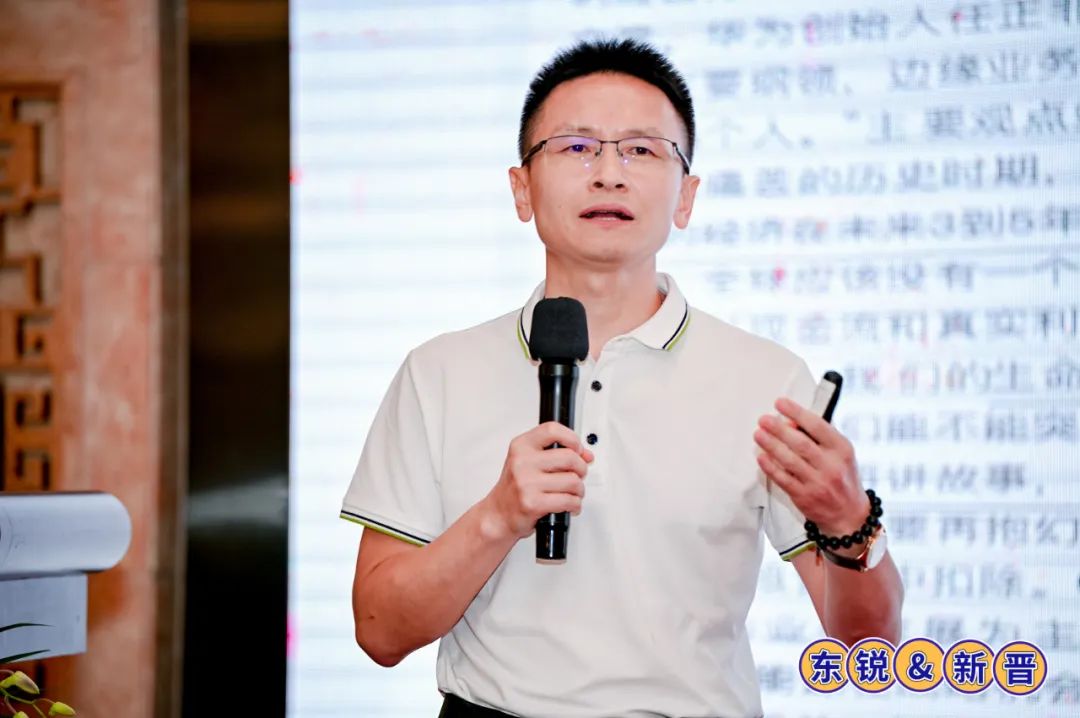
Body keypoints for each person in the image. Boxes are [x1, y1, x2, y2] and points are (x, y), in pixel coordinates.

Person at [340, 38, 903, 718]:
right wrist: (497, 517)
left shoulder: (766, 379)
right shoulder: (438, 372)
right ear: (521, 188)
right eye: (576, 147)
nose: (609, 173)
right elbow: (380, 631)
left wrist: (849, 523)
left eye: (641, 149)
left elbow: (867, 647)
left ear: (686, 197)